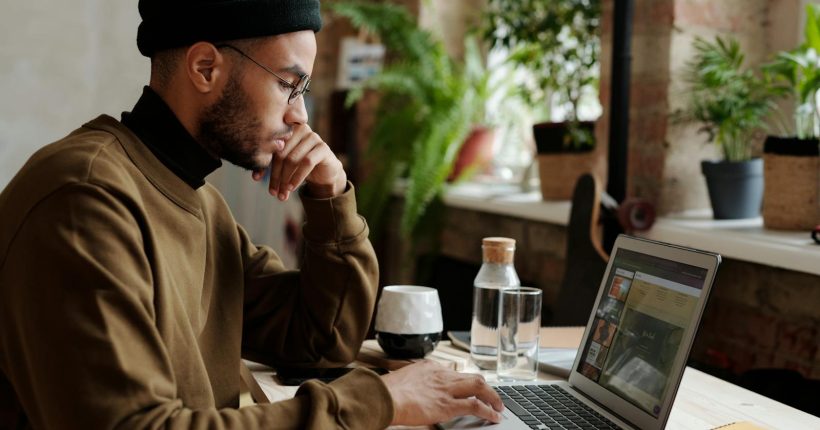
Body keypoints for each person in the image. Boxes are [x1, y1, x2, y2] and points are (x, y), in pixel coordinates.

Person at [0, 0, 503, 428]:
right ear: (204, 68)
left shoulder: (198, 200)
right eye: (288, 84)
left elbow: (319, 340)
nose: (300, 115)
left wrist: (330, 195)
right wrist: (383, 400)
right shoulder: (85, 200)